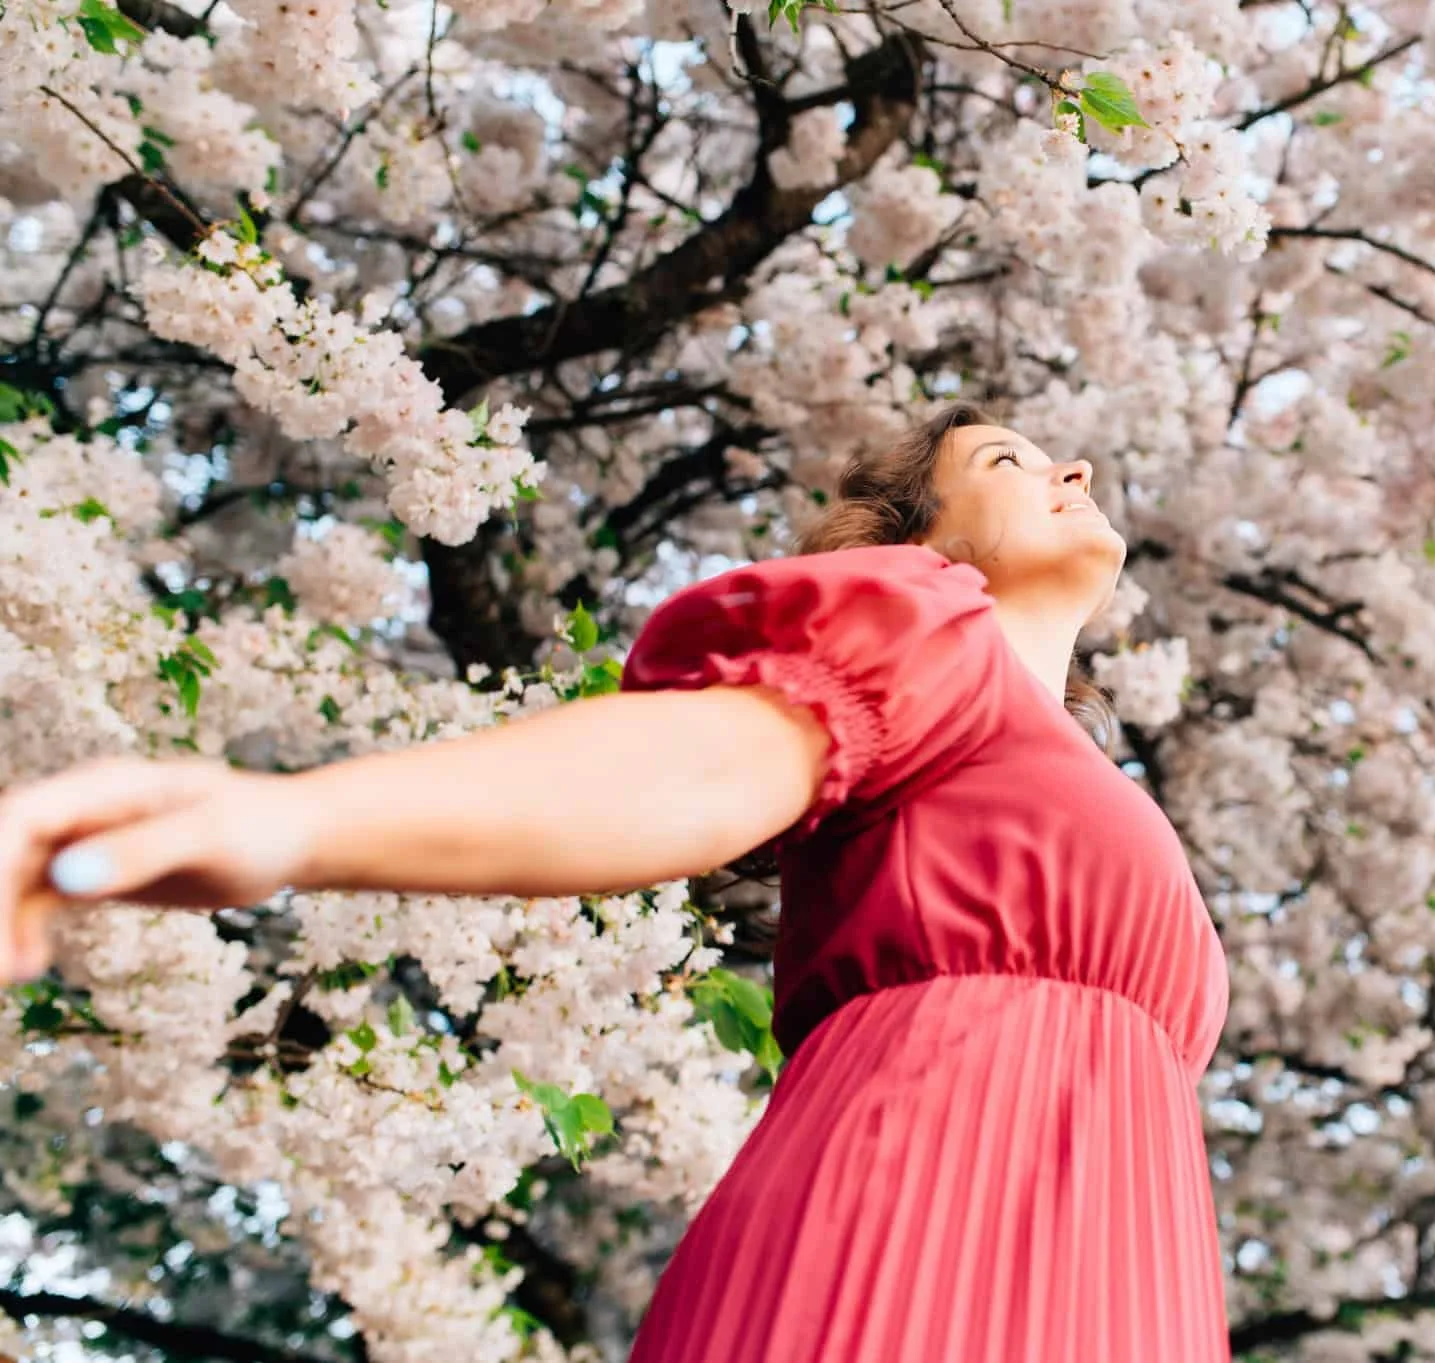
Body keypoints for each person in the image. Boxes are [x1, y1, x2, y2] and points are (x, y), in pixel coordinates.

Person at [0, 404, 1233, 1361]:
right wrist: (288, 819)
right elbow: (700, 767)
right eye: (1012, 460)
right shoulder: (928, 630)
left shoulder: (1093, 780)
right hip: (910, 1222)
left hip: (1128, 1273)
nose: (1070, 470)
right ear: (924, 536)